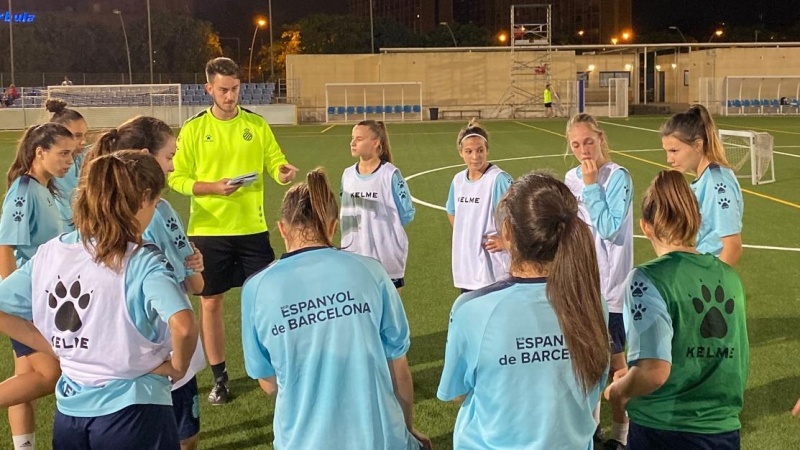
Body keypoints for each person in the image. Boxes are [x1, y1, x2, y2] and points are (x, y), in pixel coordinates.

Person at [0, 150, 199, 450]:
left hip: (71, 413)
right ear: (144, 198)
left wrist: (56, 348)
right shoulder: (142, 260)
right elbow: (183, 325)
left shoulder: (51, 252)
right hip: (135, 410)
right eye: (156, 201)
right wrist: (178, 367)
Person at [241, 168, 431, 450]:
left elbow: (269, 383)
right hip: (379, 440)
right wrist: (408, 428)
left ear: (282, 229)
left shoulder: (256, 289)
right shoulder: (371, 272)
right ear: (333, 226)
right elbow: (398, 366)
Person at [437, 171, 610, 449]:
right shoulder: (591, 302)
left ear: (507, 232)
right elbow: (595, 383)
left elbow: (457, 392)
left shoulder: (473, 309)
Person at [168, 56, 298, 405]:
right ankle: (220, 377)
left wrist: (282, 171)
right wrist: (212, 188)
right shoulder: (194, 129)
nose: (230, 96)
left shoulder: (256, 124)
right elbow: (177, 178)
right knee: (211, 302)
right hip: (209, 230)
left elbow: (275, 160)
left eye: (235, 88)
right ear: (208, 88)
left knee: (266, 300)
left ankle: (273, 368)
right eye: (223, 90)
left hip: (252, 228)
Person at [604, 170, 749, 450]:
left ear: (646, 226)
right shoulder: (729, 277)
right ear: (698, 220)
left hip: (664, 428)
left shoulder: (647, 279)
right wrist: (633, 374)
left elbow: (653, 372)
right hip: (723, 428)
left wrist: (618, 390)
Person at [88, 117, 206, 450]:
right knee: (182, 436)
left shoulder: (94, 212)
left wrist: (193, 260)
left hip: (110, 356)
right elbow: (195, 287)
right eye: (169, 156)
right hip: (162, 350)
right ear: (144, 155)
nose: (173, 166)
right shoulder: (158, 211)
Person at [0, 122, 75, 450]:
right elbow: (5, 247)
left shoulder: (46, 189)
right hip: (24, 300)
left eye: (72, 154)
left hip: (40, 297)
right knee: (49, 375)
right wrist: (15, 300)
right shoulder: (23, 190)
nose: (69, 161)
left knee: (26, 378)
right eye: (63, 153)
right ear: (39, 152)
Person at [564, 113, 633, 450]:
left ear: (601, 138)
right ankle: (591, 432)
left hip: (611, 289)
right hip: (581, 288)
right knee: (586, 364)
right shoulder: (570, 178)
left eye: (588, 141)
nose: (583, 150)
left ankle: (622, 435)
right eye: (576, 144)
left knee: (616, 366)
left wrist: (592, 186)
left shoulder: (618, 177)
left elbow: (609, 229)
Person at [660, 104, 743, 266]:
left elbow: (732, 247)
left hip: (709, 273)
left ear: (698, 145)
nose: (669, 159)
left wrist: (712, 279)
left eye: (674, 151)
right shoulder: (704, 179)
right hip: (698, 267)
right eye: (667, 151)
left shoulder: (718, 184)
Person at [340, 120, 415, 292]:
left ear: (376, 143)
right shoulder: (347, 175)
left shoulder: (390, 174)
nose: (352, 143)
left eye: (359, 139)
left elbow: (407, 213)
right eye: (352, 138)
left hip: (386, 260)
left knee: (389, 308)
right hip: (355, 257)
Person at [446, 119, 513, 293]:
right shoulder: (458, 180)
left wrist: (506, 241)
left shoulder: (498, 179)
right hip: (466, 265)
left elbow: (516, 215)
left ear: (487, 150)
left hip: (493, 266)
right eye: (469, 151)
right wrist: (466, 234)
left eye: (480, 150)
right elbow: (451, 211)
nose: (475, 156)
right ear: (461, 152)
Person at [48, 99, 89, 231]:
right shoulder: (51, 167)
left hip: (78, 234)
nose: (83, 141)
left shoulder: (82, 158)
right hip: (59, 236)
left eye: (84, 135)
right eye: (77, 136)